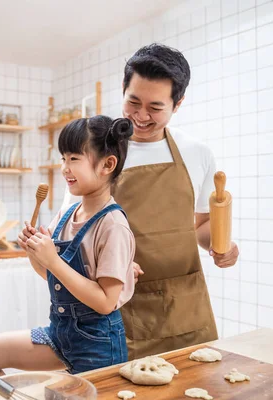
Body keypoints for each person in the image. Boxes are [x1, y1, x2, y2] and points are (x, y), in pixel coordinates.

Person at [63, 43, 240, 360]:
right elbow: (70, 234)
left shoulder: (197, 153)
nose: (141, 116)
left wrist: (221, 245)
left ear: (178, 103)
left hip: (185, 309)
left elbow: (200, 223)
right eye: (133, 102)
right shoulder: (95, 152)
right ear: (123, 89)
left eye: (155, 108)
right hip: (116, 309)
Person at [0, 116, 135, 374]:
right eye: (63, 159)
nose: (65, 168)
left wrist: (52, 259)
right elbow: (51, 276)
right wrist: (35, 253)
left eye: (74, 159)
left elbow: (105, 302)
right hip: (60, 335)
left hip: (99, 346)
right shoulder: (67, 214)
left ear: (107, 164)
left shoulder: (113, 225)